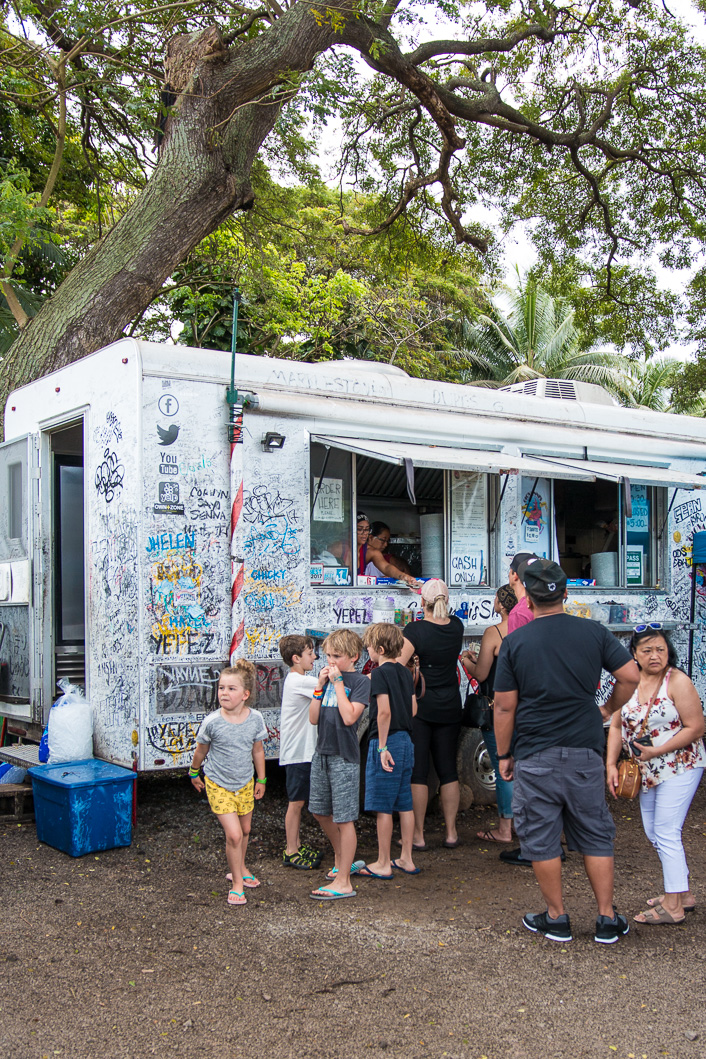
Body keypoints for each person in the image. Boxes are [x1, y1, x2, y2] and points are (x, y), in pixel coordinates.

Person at [494, 558, 640, 944]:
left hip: (535, 750)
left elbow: (504, 707)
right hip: (584, 748)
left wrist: (505, 754)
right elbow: (630, 676)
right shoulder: (593, 632)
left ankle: (556, 918)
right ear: (565, 593)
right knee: (594, 832)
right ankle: (606, 918)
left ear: (527, 596)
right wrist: (607, 708)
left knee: (541, 836)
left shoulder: (515, 642)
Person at [606, 624, 706, 925]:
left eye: (660, 649)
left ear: (668, 652)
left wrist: (658, 751)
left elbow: (696, 727)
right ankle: (683, 893)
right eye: (647, 650)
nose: (654, 656)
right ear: (634, 653)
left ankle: (674, 906)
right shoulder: (628, 682)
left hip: (681, 764)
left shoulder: (678, 681)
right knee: (653, 832)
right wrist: (610, 764)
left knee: (665, 830)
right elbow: (616, 726)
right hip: (646, 769)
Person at [189, 661, 268, 907]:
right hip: (218, 783)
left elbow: (258, 751)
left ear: (245, 695)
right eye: (221, 687)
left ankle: (241, 867)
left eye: (231, 689)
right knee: (234, 835)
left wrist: (261, 779)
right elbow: (201, 751)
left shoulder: (255, 719)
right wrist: (193, 772)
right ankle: (237, 884)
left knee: (245, 831)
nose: (224, 692)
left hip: (244, 783)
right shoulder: (212, 722)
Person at [399, 578, 464, 850]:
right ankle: (451, 833)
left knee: (419, 772)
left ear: (421, 602)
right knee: (448, 769)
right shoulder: (457, 626)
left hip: (422, 705)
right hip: (450, 704)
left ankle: (418, 835)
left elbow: (399, 664)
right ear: (446, 601)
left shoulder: (415, 630)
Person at [308, 630, 370, 900]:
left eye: (337, 656)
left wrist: (337, 684)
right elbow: (313, 718)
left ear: (354, 656)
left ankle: (344, 881)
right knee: (320, 812)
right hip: (322, 751)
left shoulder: (360, 682)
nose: (330, 661)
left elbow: (349, 717)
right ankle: (343, 859)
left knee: (344, 819)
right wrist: (319, 686)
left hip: (344, 756)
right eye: (328, 655)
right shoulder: (327, 680)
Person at [359, 623, 420, 879]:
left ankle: (383, 862)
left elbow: (383, 712)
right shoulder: (406, 673)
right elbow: (413, 709)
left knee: (383, 805)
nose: (368, 651)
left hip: (387, 742)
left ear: (381, 649)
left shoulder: (379, 674)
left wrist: (382, 746)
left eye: (369, 647)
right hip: (406, 740)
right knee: (404, 802)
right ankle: (406, 858)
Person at [461, 584, 518, 843]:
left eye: (496, 598)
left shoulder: (494, 632)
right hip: (524, 709)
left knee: (503, 768)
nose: (493, 602)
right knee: (523, 768)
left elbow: (482, 674)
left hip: (498, 711)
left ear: (502, 605)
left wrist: (466, 661)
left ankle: (505, 829)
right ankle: (523, 823)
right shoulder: (527, 629)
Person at [278, 635, 323, 869]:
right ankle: (291, 850)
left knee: (299, 801)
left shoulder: (297, 679)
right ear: (296, 658)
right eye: (310, 653)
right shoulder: (300, 681)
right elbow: (334, 684)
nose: (314, 657)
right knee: (295, 803)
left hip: (300, 751)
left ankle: (296, 844)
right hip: (298, 752)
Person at [357, 512, 418, 588]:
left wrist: (403, 576)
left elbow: (386, 567)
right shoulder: (343, 549)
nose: (364, 533)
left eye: (367, 530)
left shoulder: (371, 552)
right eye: (360, 529)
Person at [507, 551, 538, 633]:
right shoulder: (545, 604)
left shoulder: (519, 614)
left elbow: (516, 641)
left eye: (510, 570)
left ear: (515, 575)